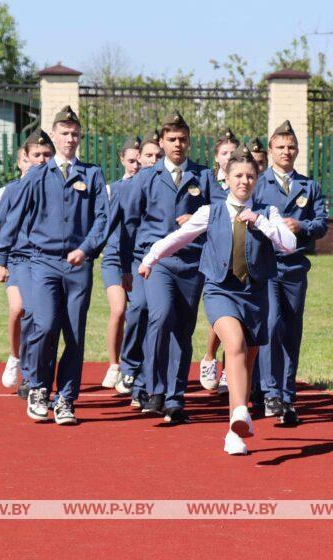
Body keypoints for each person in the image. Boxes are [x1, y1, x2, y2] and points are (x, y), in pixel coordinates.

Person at [139, 145, 296, 454]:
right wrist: (150, 258)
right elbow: (178, 238)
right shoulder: (210, 211)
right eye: (238, 176)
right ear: (226, 177)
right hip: (220, 291)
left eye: (250, 176)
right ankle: (240, 413)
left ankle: (235, 432)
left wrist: (260, 222)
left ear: (257, 179)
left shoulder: (268, 212)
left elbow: (289, 244)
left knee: (246, 361)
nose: (244, 181)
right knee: (234, 344)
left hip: (255, 295)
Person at [0, 106, 110, 425]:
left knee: (74, 334)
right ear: (54, 135)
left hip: (78, 266)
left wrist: (86, 248)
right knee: (44, 326)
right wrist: (0, 259)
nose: (70, 138)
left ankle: (66, 399)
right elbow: (14, 217)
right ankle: (39, 388)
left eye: (75, 133)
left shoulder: (92, 174)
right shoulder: (38, 174)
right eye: (65, 133)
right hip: (43, 262)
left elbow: (103, 218)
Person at [120, 111, 215, 424]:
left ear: (189, 141)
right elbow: (129, 223)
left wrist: (200, 219)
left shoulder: (204, 177)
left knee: (183, 330)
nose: (177, 144)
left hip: (191, 263)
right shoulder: (147, 177)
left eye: (182, 139)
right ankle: (153, 388)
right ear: (161, 142)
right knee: (159, 317)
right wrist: (126, 265)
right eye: (171, 139)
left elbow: (222, 212)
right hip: (158, 262)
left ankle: (175, 398)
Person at [253, 120, 328, 425]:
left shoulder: (309, 186)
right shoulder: (258, 184)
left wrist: (301, 225)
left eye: (291, 147)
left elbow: (321, 224)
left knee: (291, 332)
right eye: (280, 147)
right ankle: (269, 392)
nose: (286, 151)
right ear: (271, 150)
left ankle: (287, 395)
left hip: (295, 267)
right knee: (271, 325)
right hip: (267, 266)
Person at [0, 132, 55, 393]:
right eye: (36, 155)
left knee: (45, 319)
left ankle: (34, 370)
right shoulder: (13, 190)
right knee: (22, 309)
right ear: (24, 159)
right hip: (20, 260)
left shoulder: (59, 188)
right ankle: (21, 363)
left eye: (47, 155)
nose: (41, 160)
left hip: (49, 260)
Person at [114, 130, 163, 405]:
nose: (153, 160)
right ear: (139, 157)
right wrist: (124, 266)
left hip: (162, 259)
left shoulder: (168, 182)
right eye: (148, 155)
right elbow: (125, 227)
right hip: (136, 257)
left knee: (157, 318)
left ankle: (142, 384)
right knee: (139, 308)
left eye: (158, 155)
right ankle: (130, 364)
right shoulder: (130, 186)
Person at [100, 136, 142, 389]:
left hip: (138, 259)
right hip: (115, 258)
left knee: (139, 312)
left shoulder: (148, 187)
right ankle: (114, 365)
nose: (136, 166)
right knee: (118, 310)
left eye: (139, 161)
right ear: (122, 160)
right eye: (131, 161)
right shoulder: (112, 189)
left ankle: (132, 366)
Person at [201, 128, 241, 394]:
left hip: (238, 256)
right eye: (224, 153)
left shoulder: (243, 179)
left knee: (237, 313)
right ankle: (209, 357)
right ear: (216, 157)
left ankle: (229, 369)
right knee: (219, 312)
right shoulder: (208, 181)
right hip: (214, 256)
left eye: (233, 153)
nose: (229, 157)